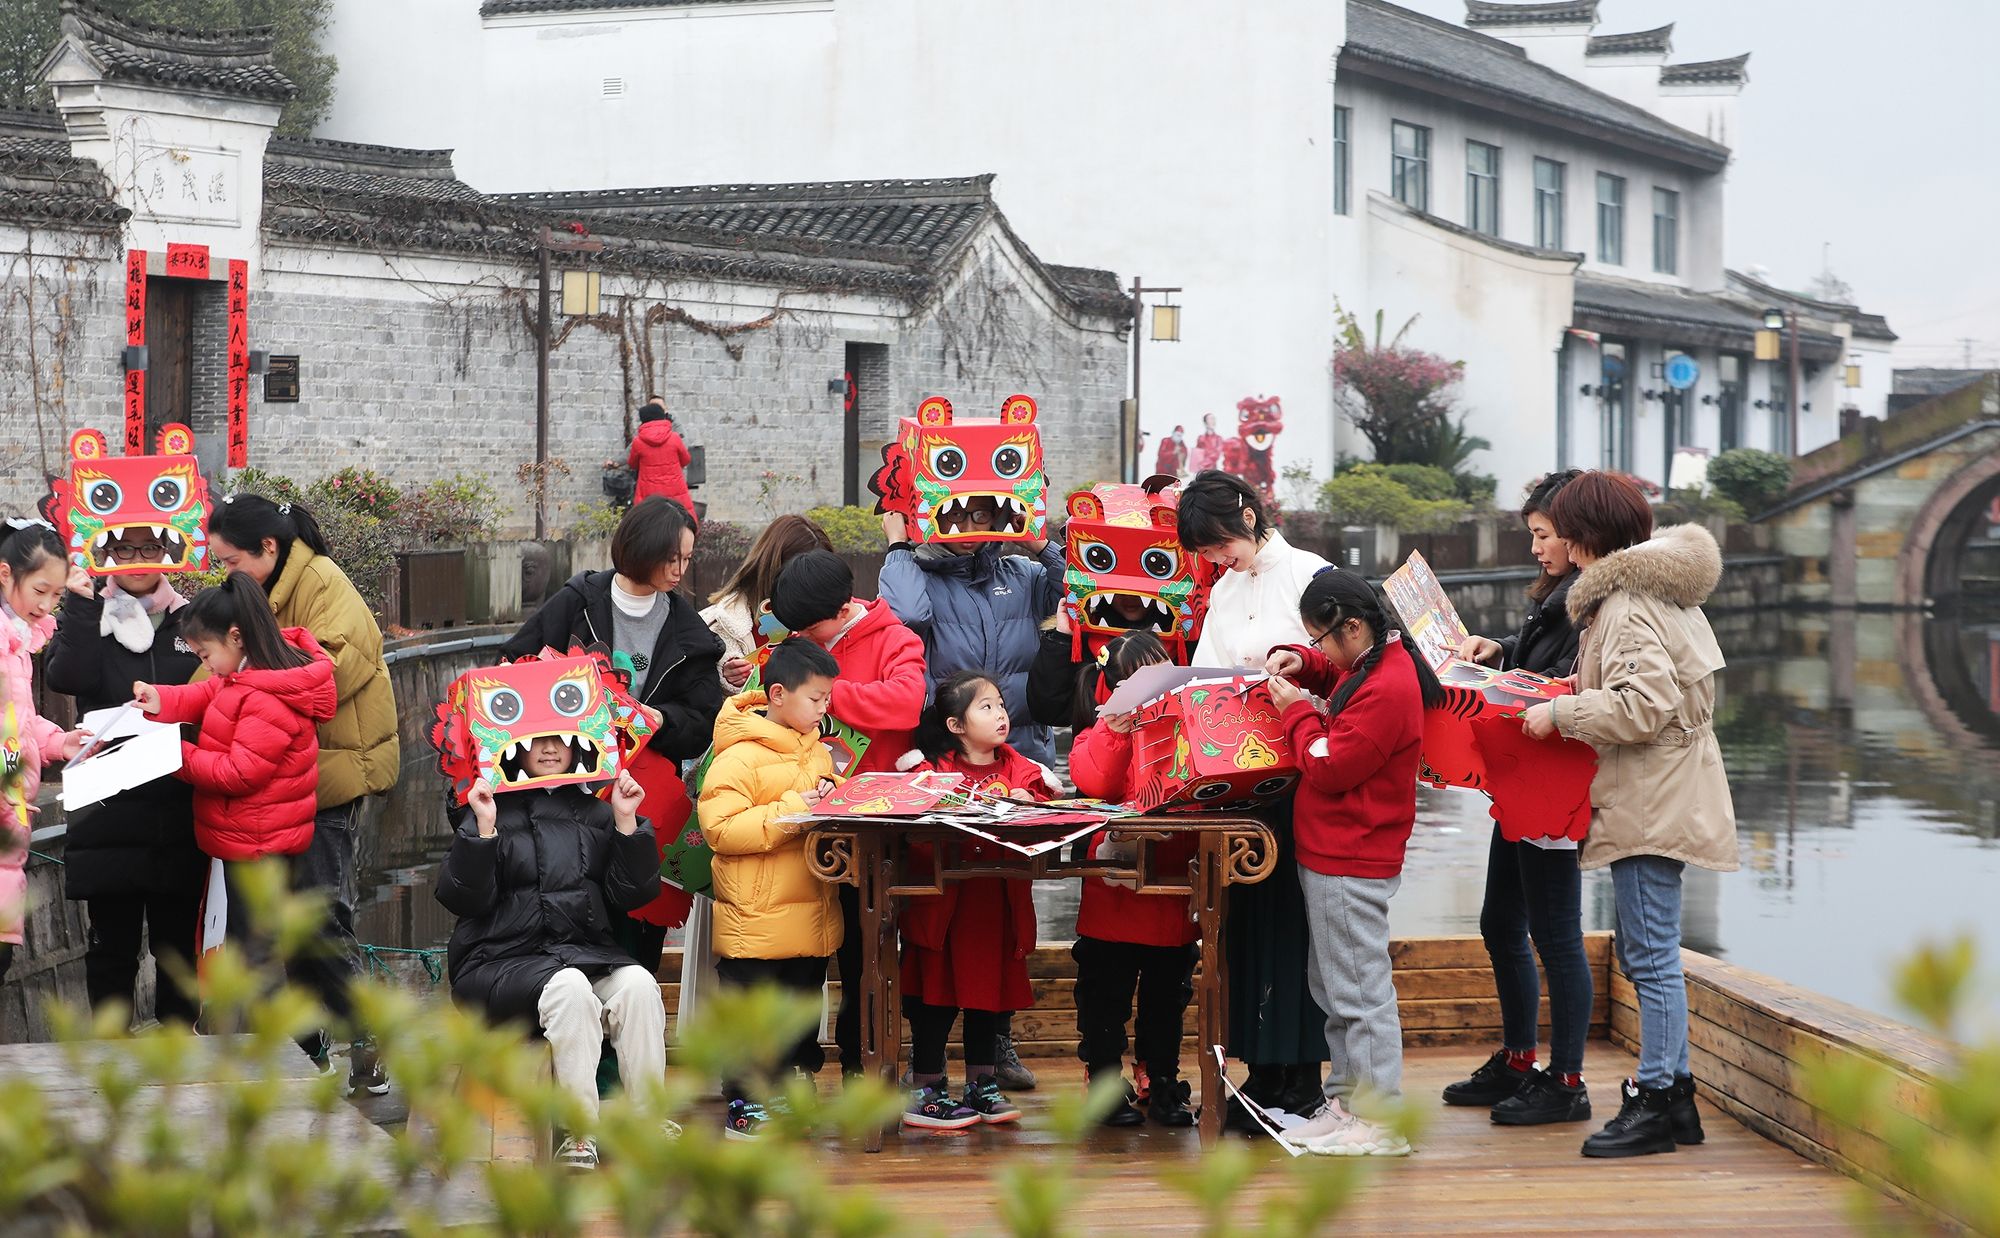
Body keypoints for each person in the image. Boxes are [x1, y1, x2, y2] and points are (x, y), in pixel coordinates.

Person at [1521, 472, 1737, 1159]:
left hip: (1651, 795)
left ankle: (1653, 1100)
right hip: (1672, 785)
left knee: (1649, 954)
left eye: (1558, 526)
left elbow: (1641, 707)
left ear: (1583, 538)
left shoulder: (1623, 604)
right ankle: (1676, 1099)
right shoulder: (1663, 591)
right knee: (1654, 951)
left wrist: (1559, 713)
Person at [208, 495, 398, 1092]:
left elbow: (334, 672)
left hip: (330, 780)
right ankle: (305, 1051)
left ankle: (367, 1047)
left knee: (319, 920)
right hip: (274, 787)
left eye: (233, 560)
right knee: (267, 931)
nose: (226, 573)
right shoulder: (253, 589)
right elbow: (216, 664)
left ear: (269, 548)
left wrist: (242, 688)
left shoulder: (322, 581)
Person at [878, 505, 1066, 1090]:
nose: (970, 525)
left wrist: (1040, 545)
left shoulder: (1023, 571)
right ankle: (927, 1064)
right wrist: (901, 546)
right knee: (939, 926)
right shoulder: (919, 573)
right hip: (948, 756)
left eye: (985, 511)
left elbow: (1080, 591)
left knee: (1001, 924)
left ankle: (997, 1045)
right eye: (957, 513)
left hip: (1019, 754)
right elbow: (905, 615)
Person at [1263, 569, 1442, 1157]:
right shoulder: (1376, 661)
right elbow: (1339, 675)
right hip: (1337, 852)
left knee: (1360, 993)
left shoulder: (1389, 688)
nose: (1319, 651)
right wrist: (1305, 667)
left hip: (1353, 855)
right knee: (1335, 985)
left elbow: (1329, 764)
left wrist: (1295, 713)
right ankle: (1346, 1099)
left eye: (1320, 640)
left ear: (1353, 626)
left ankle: (1380, 1118)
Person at [502, 496, 725, 965]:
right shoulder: (577, 603)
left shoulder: (689, 631)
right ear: (641, 548)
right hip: (564, 790)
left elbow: (705, 720)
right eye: (671, 558)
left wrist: (663, 719)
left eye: (687, 558)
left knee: (635, 916)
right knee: (565, 910)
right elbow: (512, 670)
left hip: (640, 794)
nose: (680, 569)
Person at [1440, 469, 1595, 1126]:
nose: (1534, 548)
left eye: (1542, 535)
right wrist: (1496, 656)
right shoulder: (1557, 591)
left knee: (1555, 933)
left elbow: (1575, 688)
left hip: (1555, 783)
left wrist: (1508, 678)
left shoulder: (1596, 602)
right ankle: (1518, 1057)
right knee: (1500, 922)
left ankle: (1566, 1080)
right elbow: (1541, 673)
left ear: (1577, 534)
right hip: (1521, 779)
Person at [1175, 470, 1330, 1120]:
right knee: (1245, 925)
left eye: (1218, 545)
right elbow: (1205, 678)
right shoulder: (1226, 591)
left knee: (1297, 922)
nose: (1217, 559)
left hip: (1302, 769)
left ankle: (1303, 1075)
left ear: (1245, 512)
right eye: (1206, 554)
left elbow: (1343, 663)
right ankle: (1262, 1070)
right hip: (1240, 776)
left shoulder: (1309, 575)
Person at [435, 757, 664, 1172]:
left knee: (638, 984)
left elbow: (632, 895)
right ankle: (578, 1132)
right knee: (570, 988)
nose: (547, 748)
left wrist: (627, 824)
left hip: (581, 954)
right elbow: (462, 898)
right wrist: (484, 829)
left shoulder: (597, 811)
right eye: (536, 738)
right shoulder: (487, 808)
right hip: (498, 961)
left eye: (557, 737)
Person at [131, 574, 337, 1033]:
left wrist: (171, 754)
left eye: (206, 655)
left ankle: (292, 1052)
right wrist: (158, 699)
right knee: (250, 950)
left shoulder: (269, 697)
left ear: (236, 637)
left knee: (256, 955)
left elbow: (239, 773)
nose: (207, 666)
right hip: (249, 836)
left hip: (262, 842)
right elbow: (204, 695)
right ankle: (287, 1046)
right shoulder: (242, 674)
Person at [768, 549, 926, 1079]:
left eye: (812, 628)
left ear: (843, 609)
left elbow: (906, 702)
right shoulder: (794, 643)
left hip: (874, 821)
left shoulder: (896, 638)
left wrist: (825, 696)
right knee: (802, 950)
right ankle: (798, 1070)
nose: (804, 638)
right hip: (806, 815)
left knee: (869, 953)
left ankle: (867, 1068)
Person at [685, 514, 834, 1047]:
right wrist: (723, 681)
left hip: (800, 882)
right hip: (743, 798)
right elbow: (721, 814)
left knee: (794, 991)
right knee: (742, 971)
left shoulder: (817, 628)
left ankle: (789, 1078)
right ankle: (740, 1085)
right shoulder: (718, 623)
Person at [45, 531, 205, 1025]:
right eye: (125, 550)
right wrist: (79, 604)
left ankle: (180, 1061)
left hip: (180, 805)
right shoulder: (91, 615)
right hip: (109, 808)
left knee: (179, 952)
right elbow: (66, 677)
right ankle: (110, 1068)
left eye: (150, 549)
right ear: (107, 554)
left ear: (169, 553)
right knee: (111, 951)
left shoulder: (192, 619)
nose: (137, 561)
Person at [897, 671, 1059, 1131]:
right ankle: (927, 1087)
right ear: (955, 726)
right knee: (936, 998)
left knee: (988, 998)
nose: (1001, 714)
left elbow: (1042, 789)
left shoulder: (1017, 765)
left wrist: (1031, 796)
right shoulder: (932, 771)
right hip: (944, 906)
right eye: (985, 707)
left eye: (1001, 705)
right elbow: (918, 816)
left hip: (995, 904)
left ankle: (981, 1084)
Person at [696, 639, 843, 1140]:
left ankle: (791, 1082)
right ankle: (744, 1097)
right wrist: (792, 810)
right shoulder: (738, 756)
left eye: (827, 699)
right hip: (755, 917)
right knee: (752, 1010)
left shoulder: (819, 751)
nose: (825, 709)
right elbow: (721, 830)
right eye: (816, 699)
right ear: (776, 694)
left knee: (803, 1001)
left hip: (812, 911)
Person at [1066, 630, 1198, 1128]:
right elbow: (1093, 781)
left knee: (1168, 998)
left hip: (1171, 893)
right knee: (1104, 998)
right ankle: (1103, 1080)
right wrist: (1117, 729)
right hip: (1113, 900)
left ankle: (1161, 1078)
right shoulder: (1095, 733)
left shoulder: (1189, 726)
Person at [0, 520, 92, 983]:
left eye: (56, 595)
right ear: (4, 574)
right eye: (40, 590)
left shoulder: (14, 642)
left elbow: (18, 719)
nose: (46, 605)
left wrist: (60, 741)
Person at [702, 515, 834, 692]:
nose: (812, 586)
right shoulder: (720, 624)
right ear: (775, 568)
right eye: (804, 576)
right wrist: (728, 678)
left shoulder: (832, 618)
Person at [626, 399, 697, 524]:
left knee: (648, 525)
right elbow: (686, 460)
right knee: (680, 523)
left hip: (648, 492)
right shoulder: (674, 437)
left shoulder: (638, 442)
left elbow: (632, 464)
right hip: (675, 489)